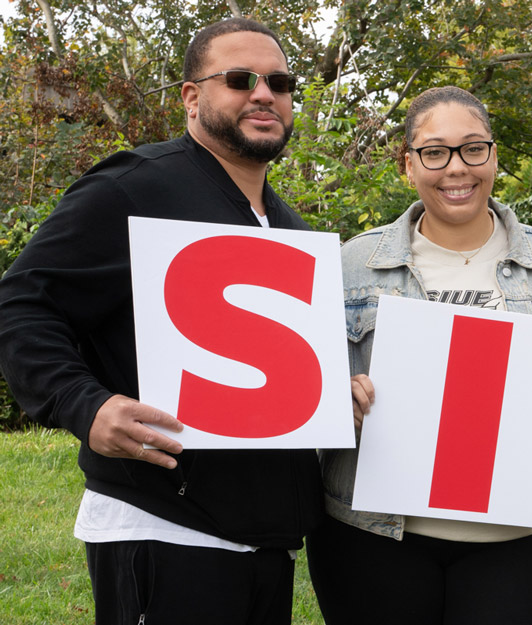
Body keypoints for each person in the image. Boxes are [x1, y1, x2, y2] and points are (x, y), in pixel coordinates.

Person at [0, 18, 321, 625]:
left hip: (266, 544)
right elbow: (21, 303)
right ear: (192, 97)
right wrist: (82, 404)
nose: (263, 93)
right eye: (239, 78)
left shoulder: (291, 229)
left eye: (279, 81)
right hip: (161, 528)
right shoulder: (131, 188)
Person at [306, 85, 532, 625]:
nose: (456, 168)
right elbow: (305, 393)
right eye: (434, 151)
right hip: (373, 538)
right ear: (408, 164)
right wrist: (336, 403)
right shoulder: (351, 264)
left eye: (473, 148)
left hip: (512, 542)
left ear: (494, 155)